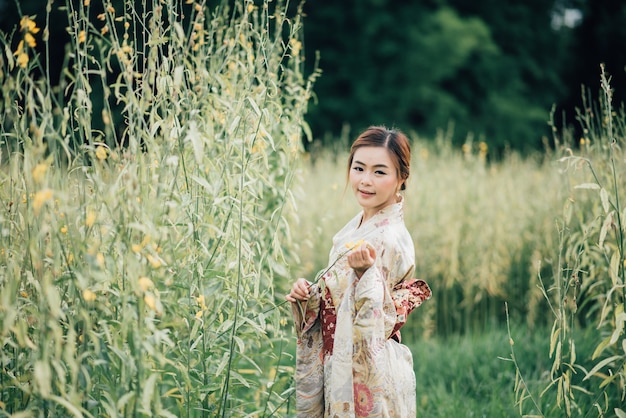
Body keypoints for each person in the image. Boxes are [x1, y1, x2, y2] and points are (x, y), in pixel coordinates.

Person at [286, 126, 432, 417]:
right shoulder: (357, 227)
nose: (366, 181)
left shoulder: (388, 237)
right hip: (339, 362)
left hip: (369, 371)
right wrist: (309, 295)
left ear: (401, 178)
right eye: (359, 168)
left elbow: (382, 319)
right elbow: (337, 296)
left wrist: (368, 276)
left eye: (380, 172)